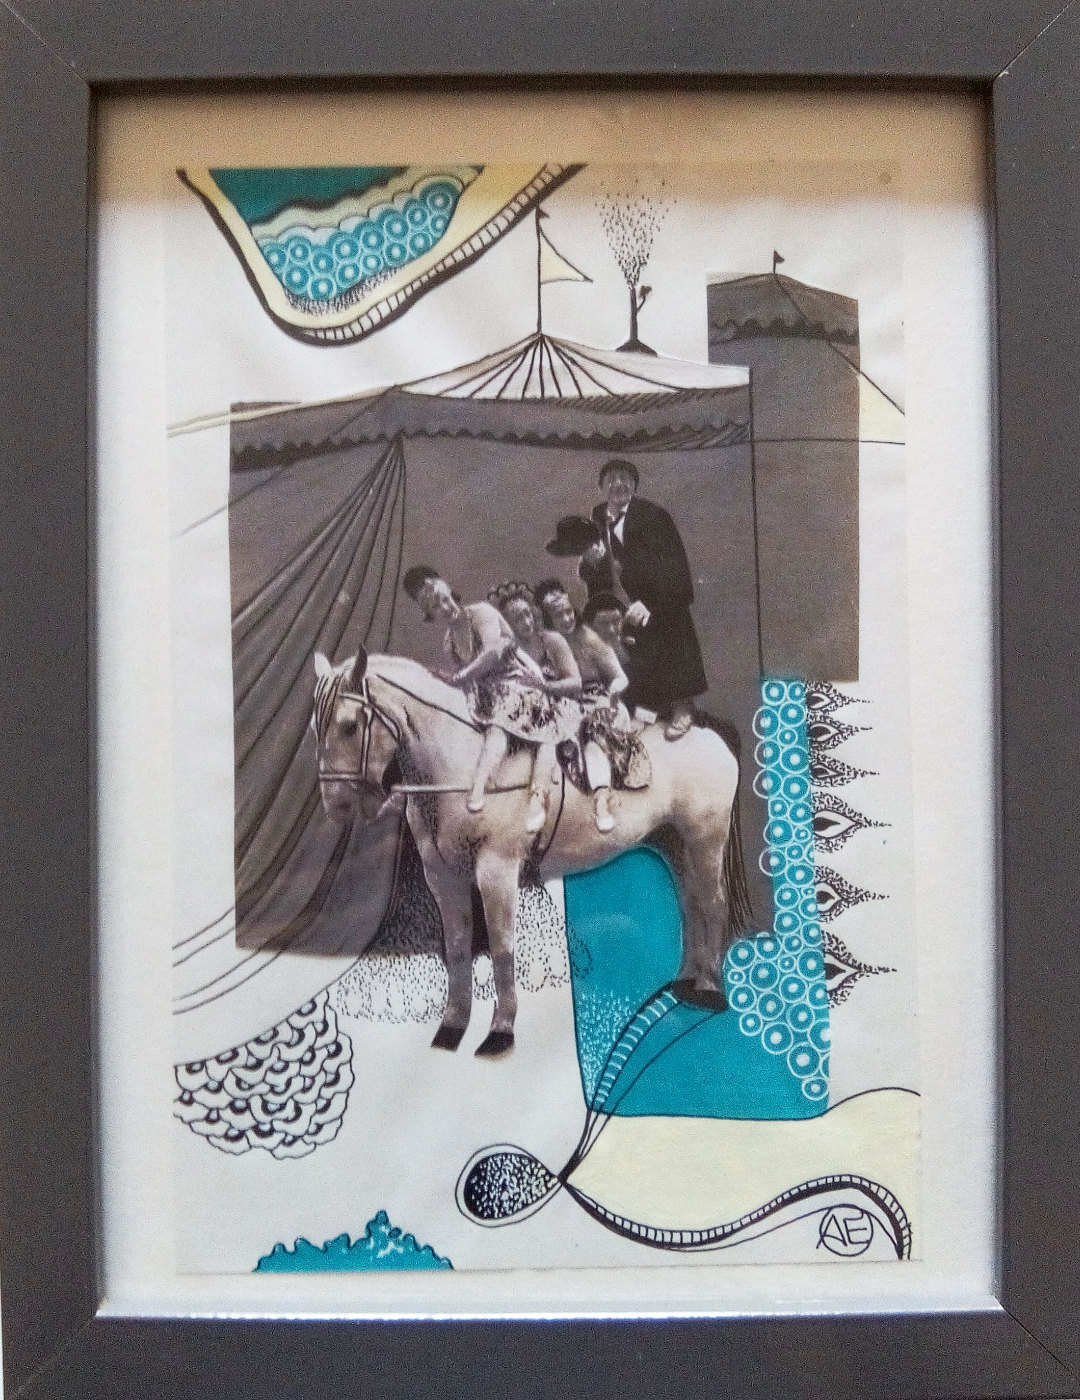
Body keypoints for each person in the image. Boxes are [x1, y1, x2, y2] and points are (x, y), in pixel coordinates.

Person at [402, 565, 575, 833]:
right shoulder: (449, 642)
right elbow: (469, 683)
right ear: (430, 615)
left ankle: (510, 793)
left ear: (450, 592)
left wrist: (459, 677)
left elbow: (493, 653)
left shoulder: (481, 612)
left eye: (445, 599)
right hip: (489, 698)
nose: (445, 608)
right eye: (436, 607)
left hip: (522, 683)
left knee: (499, 726)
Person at [568, 459, 707, 740]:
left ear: (634, 485)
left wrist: (650, 604)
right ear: (602, 486)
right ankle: (640, 713)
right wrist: (591, 562)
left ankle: (682, 707)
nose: (618, 484)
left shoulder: (654, 515)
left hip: (658, 603)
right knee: (622, 653)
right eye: (611, 479)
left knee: (669, 632)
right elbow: (588, 572)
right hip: (620, 607)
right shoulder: (597, 519)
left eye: (625, 478)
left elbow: (675, 567)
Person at [534, 578, 649, 832]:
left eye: (568, 611)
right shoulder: (543, 644)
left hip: (598, 703)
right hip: (563, 707)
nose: (566, 619)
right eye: (558, 615)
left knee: (591, 736)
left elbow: (619, 676)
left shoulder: (588, 638)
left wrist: (614, 692)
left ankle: (600, 801)